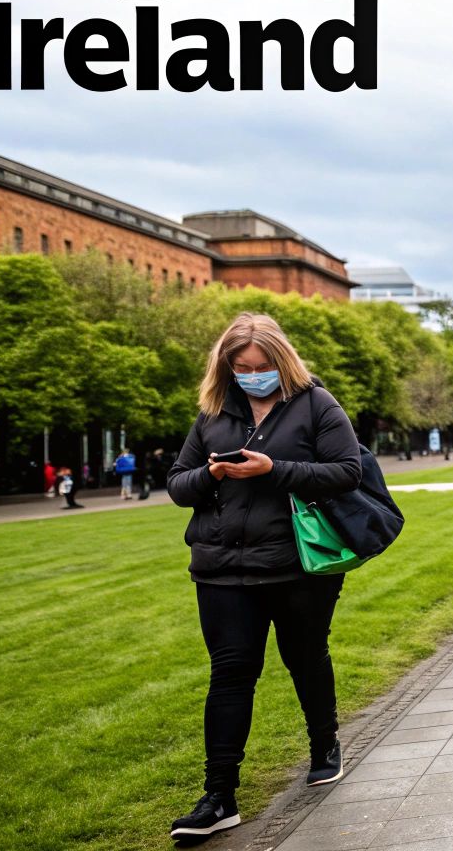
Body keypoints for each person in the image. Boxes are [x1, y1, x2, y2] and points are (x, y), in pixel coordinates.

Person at [165, 313, 363, 840]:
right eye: (242, 366)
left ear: (282, 361)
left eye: (262, 366)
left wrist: (272, 469)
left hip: (298, 565)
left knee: (305, 656)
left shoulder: (317, 405)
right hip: (222, 567)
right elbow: (177, 484)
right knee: (230, 673)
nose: (253, 375)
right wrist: (209, 474)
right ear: (226, 367)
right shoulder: (212, 413)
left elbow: (348, 472)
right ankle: (219, 796)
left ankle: (325, 744)